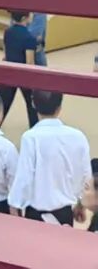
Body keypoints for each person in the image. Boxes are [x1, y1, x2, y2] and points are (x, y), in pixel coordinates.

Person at [7, 90, 92, 225]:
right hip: (64, 214)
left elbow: (24, 177)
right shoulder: (78, 137)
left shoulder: (30, 137)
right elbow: (86, 175)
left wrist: (14, 206)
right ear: (60, 107)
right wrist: (81, 204)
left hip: (35, 214)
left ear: (33, 104)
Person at [0, 11, 39, 129]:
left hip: (9, 71)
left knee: (2, 102)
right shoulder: (29, 38)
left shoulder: (7, 32)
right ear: (25, 18)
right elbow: (29, 62)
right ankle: (35, 128)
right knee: (32, 104)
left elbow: (5, 54)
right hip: (23, 74)